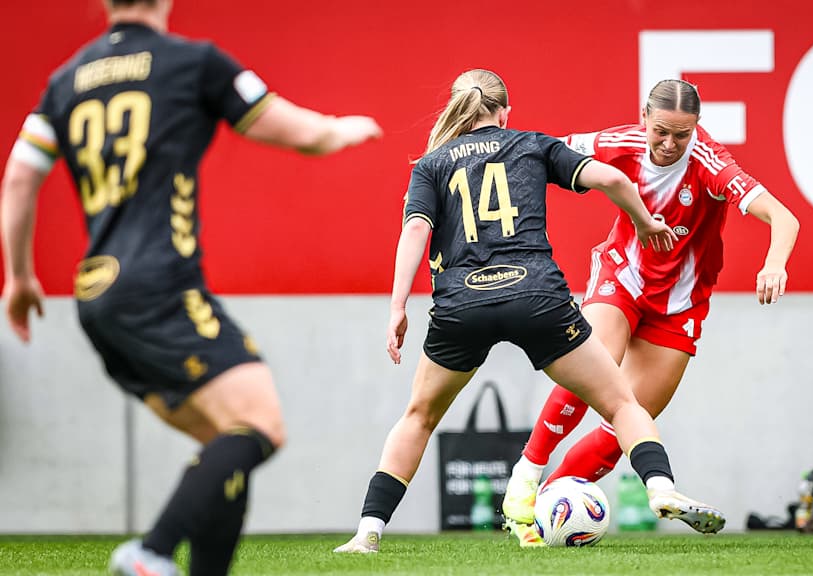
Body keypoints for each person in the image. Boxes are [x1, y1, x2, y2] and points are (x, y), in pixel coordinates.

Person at [0, 1, 381, 574]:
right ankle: (151, 551)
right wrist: (342, 129)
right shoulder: (193, 62)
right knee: (260, 423)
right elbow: (305, 134)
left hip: (98, 298)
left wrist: (19, 276)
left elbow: (19, 177)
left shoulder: (66, 80)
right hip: (160, 286)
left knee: (228, 441)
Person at [333, 69, 725, 554]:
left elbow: (415, 230)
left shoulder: (431, 164)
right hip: (536, 297)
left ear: (458, 110)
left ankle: (368, 531)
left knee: (418, 417)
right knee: (622, 403)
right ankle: (660, 486)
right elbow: (612, 177)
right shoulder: (531, 144)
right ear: (505, 113)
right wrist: (644, 222)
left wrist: (397, 307)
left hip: (462, 306)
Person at [502, 79, 800, 544]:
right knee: (593, 369)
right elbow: (540, 152)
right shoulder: (621, 142)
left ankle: (544, 513)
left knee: (625, 422)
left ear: (696, 128)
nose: (669, 144)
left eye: (682, 134)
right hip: (623, 278)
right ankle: (524, 478)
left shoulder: (711, 163)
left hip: (680, 304)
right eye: (661, 131)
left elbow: (784, 217)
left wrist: (774, 263)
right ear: (644, 118)